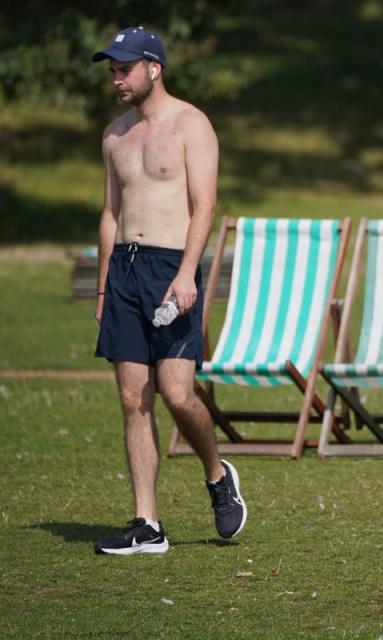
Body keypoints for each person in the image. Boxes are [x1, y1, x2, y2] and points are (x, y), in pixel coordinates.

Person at [90, 26, 246, 555]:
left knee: (177, 395)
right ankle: (147, 523)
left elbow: (204, 206)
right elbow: (111, 212)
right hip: (125, 273)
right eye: (112, 70)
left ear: (153, 68)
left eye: (125, 68)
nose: (117, 78)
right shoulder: (114, 134)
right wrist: (104, 285)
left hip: (168, 266)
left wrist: (186, 273)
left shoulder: (191, 125)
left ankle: (216, 474)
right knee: (134, 400)